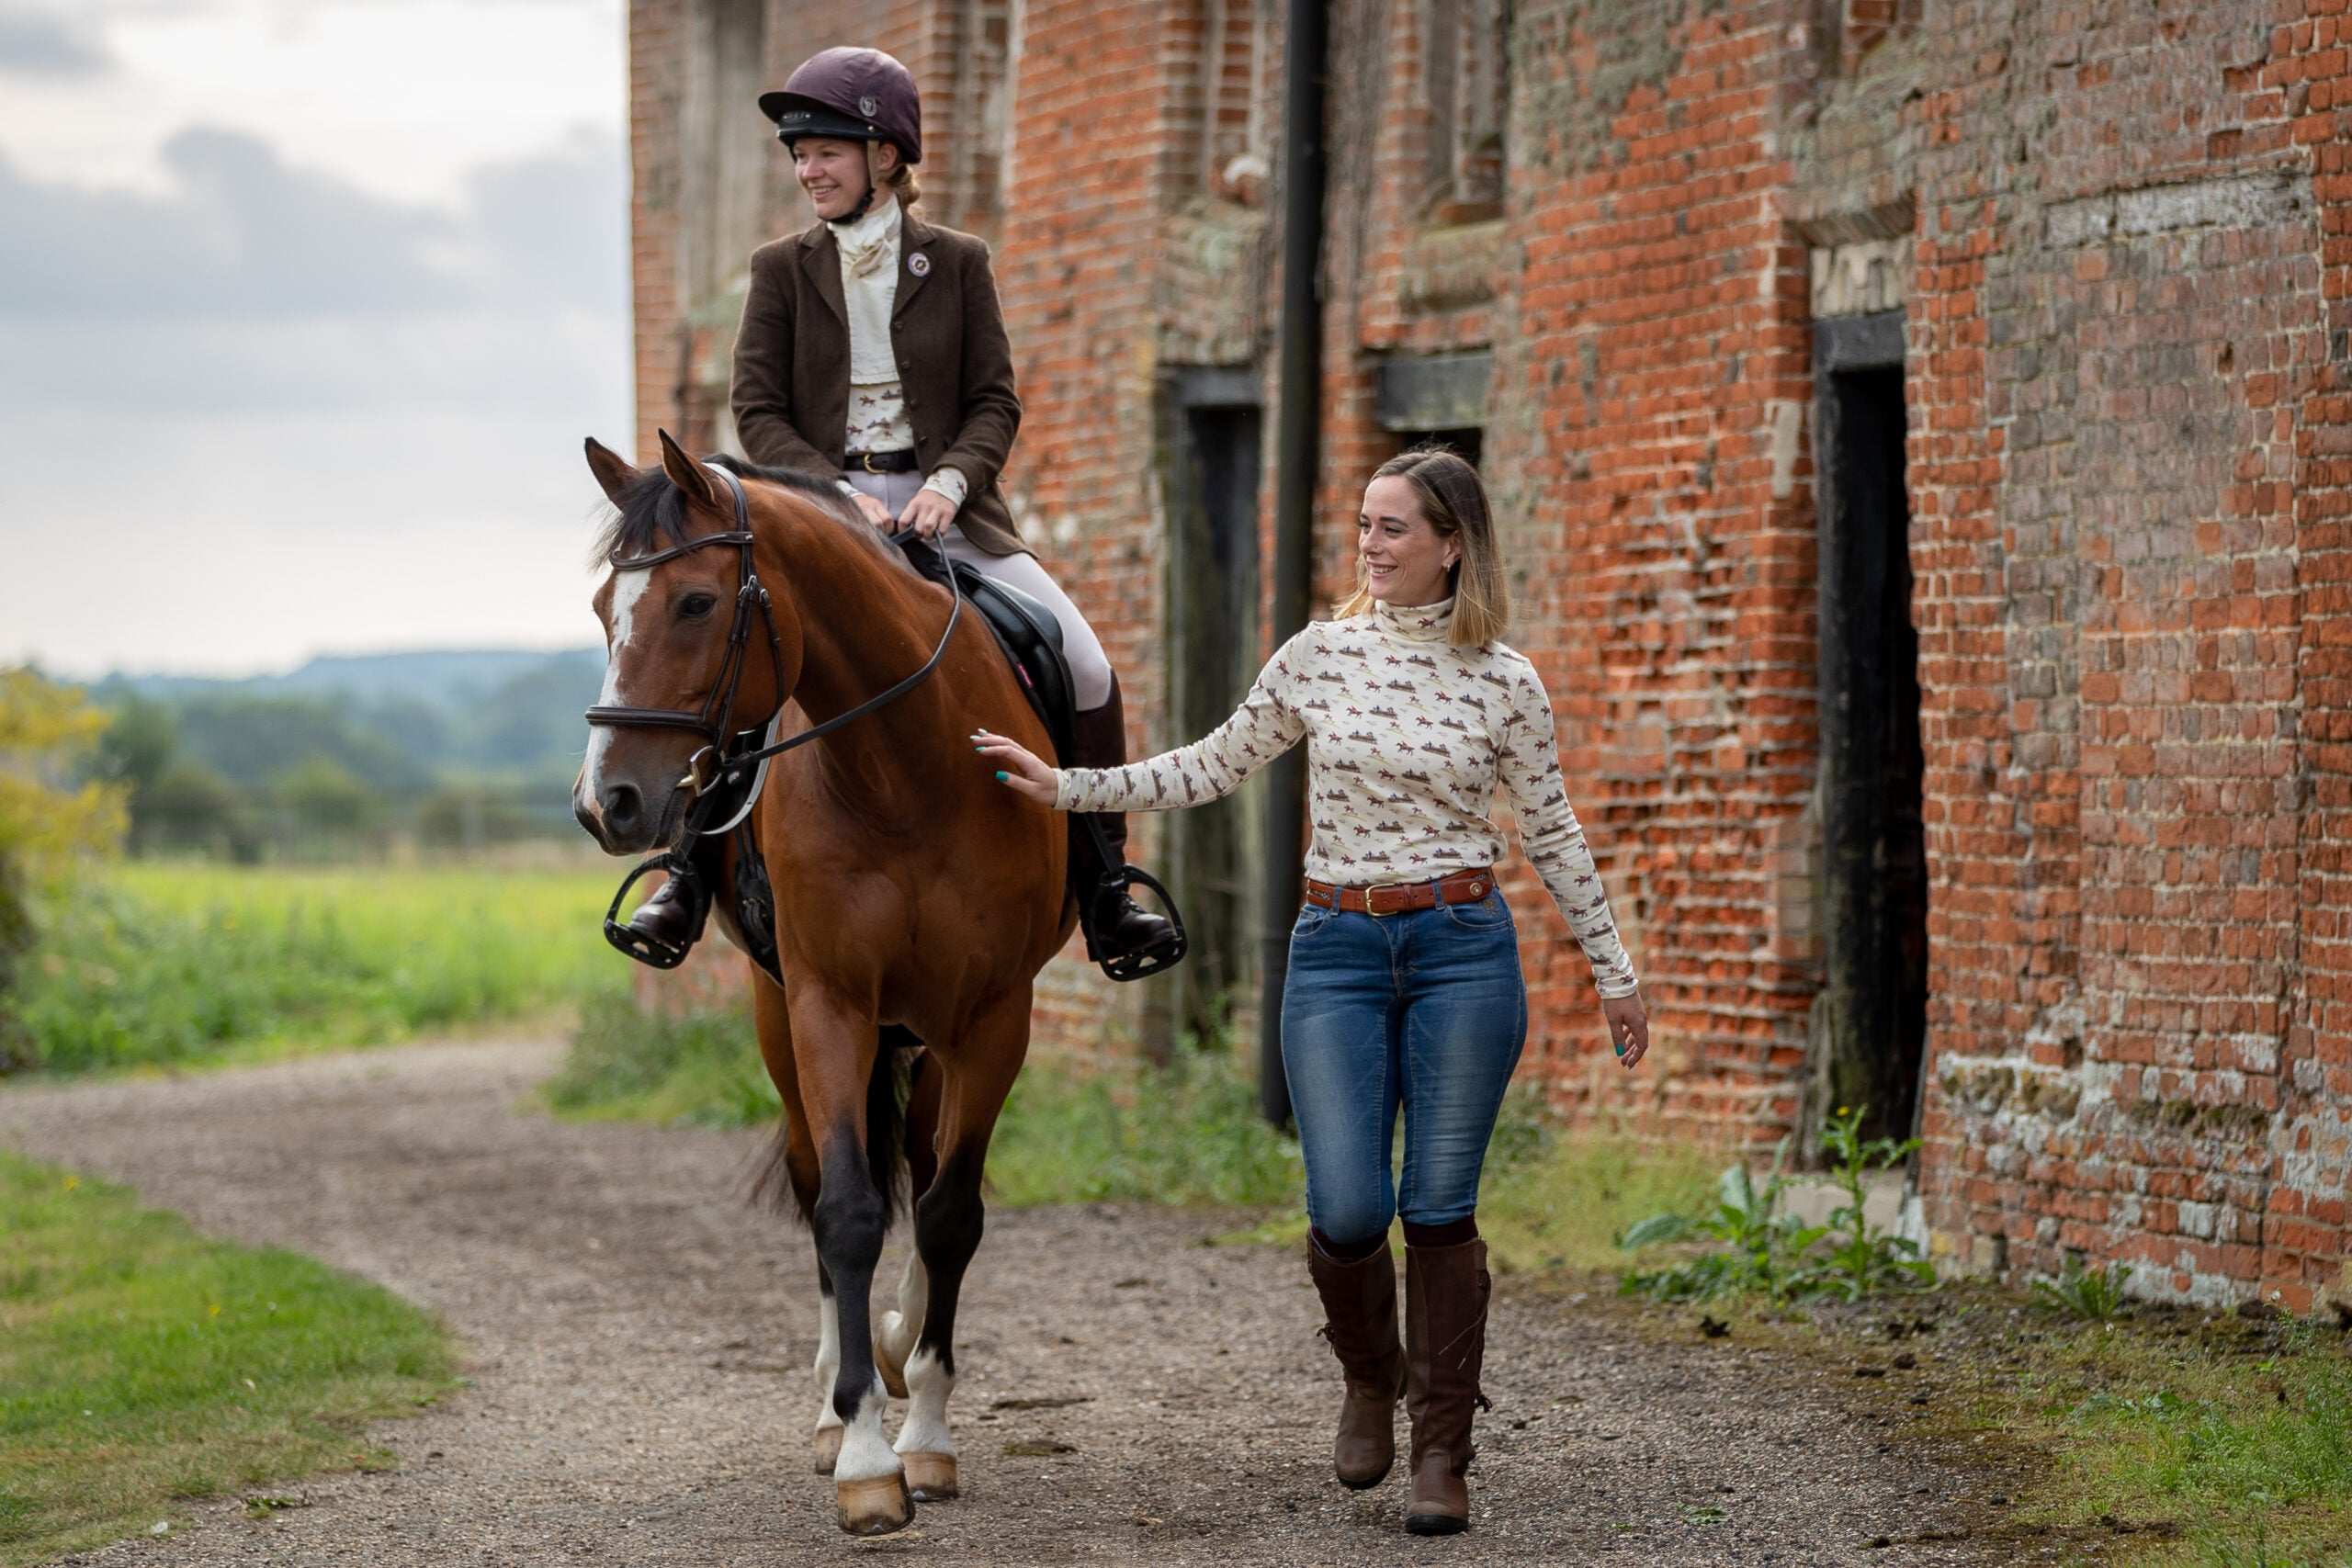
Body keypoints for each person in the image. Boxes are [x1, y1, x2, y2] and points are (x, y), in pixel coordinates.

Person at [976, 446, 1649, 1535]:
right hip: (1335, 948)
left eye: (1393, 529)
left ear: (1452, 546)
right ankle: (1370, 1376)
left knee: (1437, 1206)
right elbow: (1207, 765)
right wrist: (1070, 788)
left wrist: (1615, 972)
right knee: (1344, 1208)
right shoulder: (1319, 656)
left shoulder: (1506, 682)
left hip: (1463, 947)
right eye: (1366, 526)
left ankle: (1442, 1452)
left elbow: (1556, 829)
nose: (1370, 547)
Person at [623, 46, 1177, 969]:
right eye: (797, 154)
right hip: (818, 516)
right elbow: (757, 410)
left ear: (885, 154)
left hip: (948, 512)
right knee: (742, 660)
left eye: (826, 149)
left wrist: (945, 486)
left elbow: (994, 401)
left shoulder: (956, 262)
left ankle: (1106, 880)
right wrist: (837, 499)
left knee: (1082, 661)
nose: (807, 169)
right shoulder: (779, 269)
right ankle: (683, 873)